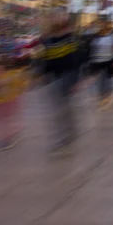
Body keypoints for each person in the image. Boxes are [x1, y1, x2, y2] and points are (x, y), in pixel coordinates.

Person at [40, 11, 82, 153]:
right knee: (61, 108)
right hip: (55, 76)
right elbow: (48, 59)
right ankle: (68, 131)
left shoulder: (70, 39)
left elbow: (75, 60)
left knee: (61, 108)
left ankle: (63, 135)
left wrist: (76, 80)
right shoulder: (49, 40)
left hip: (67, 75)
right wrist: (44, 74)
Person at [90, 21, 113, 106]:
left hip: (108, 62)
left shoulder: (111, 37)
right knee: (101, 79)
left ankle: (106, 95)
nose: (102, 29)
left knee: (106, 79)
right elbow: (92, 50)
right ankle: (102, 95)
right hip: (98, 62)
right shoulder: (96, 38)